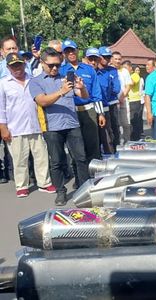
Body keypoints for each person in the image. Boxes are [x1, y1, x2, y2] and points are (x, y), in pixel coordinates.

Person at [29, 47, 90, 205]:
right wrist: (61, 92)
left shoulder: (67, 77)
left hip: (72, 123)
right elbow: (42, 101)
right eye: (51, 65)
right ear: (42, 63)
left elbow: (84, 97)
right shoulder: (35, 82)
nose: (55, 68)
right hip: (52, 127)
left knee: (81, 158)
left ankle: (84, 189)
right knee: (57, 161)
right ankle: (61, 191)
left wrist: (82, 88)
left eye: (58, 64)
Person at [0, 53, 55, 197]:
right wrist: (3, 127)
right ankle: (22, 186)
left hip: (36, 125)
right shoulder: (3, 83)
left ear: (24, 64)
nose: (17, 68)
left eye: (19, 64)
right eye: (13, 66)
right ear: (8, 67)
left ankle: (45, 183)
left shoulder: (33, 80)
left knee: (41, 157)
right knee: (19, 160)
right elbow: (1, 108)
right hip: (15, 128)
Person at [59, 41, 105, 175]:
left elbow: (96, 93)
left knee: (92, 143)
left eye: (73, 50)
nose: (71, 53)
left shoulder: (88, 69)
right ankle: (80, 176)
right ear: (64, 54)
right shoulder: (61, 71)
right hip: (70, 111)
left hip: (88, 110)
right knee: (75, 146)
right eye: (67, 51)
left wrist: (100, 113)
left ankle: (95, 174)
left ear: (77, 51)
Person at [96, 46, 121, 154]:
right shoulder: (94, 70)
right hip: (96, 104)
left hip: (110, 103)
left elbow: (116, 88)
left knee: (112, 130)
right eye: (104, 57)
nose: (106, 59)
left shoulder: (112, 70)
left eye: (108, 57)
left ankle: (114, 151)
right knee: (97, 132)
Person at [111, 52, 132, 145]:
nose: (117, 61)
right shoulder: (109, 70)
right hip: (112, 101)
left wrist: (122, 97)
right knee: (116, 124)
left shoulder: (124, 71)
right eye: (115, 59)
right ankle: (117, 143)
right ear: (111, 59)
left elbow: (128, 85)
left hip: (123, 100)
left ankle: (127, 142)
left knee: (126, 123)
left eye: (119, 59)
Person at [126, 63, 144, 141]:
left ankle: (136, 138)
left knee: (134, 120)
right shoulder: (129, 76)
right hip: (129, 100)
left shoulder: (135, 75)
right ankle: (132, 137)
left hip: (135, 100)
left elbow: (132, 83)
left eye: (126, 68)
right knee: (130, 121)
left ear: (131, 68)